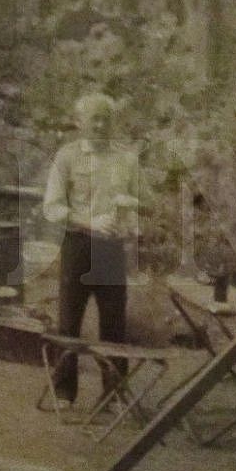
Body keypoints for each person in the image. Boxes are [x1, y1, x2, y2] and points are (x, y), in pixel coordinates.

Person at [40, 92, 141, 407]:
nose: (100, 125)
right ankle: (64, 392)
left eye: (106, 119)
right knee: (69, 321)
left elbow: (137, 202)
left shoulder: (126, 159)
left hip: (111, 249)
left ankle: (114, 394)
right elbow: (52, 207)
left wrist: (129, 224)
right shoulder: (66, 157)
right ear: (79, 122)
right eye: (94, 119)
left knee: (114, 323)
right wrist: (89, 222)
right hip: (78, 245)